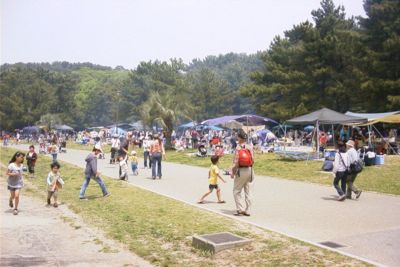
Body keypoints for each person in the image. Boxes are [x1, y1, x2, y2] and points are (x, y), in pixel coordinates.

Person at [231, 130, 254, 216]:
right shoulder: (249, 147)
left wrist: (233, 172)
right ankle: (248, 210)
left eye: (238, 137)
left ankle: (240, 209)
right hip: (249, 170)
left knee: (236, 191)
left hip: (240, 170)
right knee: (248, 191)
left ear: (240, 138)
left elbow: (236, 162)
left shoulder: (238, 148)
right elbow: (253, 160)